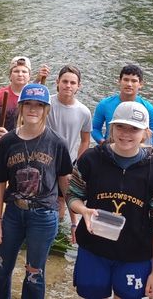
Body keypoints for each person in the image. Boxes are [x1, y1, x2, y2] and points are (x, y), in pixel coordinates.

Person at [68, 101, 153, 299]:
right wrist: (83, 211)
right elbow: (73, 195)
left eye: (134, 129)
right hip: (93, 249)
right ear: (111, 128)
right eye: (120, 127)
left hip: (136, 254)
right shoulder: (91, 159)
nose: (125, 134)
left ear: (146, 133)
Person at [0, 83, 72, 299]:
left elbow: (65, 183)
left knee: (34, 274)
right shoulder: (8, 141)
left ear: (46, 109)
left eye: (39, 105)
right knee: (1, 268)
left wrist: (74, 221)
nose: (33, 110)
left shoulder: (57, 143)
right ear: (21, 108)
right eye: (28, 105)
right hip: (14, 214)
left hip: (44, 215)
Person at [46, 65, 91, 224]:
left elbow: (85, 140)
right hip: (44, 158)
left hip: (68, 162)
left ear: (79, 86)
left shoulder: (84, 111)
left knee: (62, 199)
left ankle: (58, 228)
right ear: (57, 82)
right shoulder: (45, 104)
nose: (68, 85)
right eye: (65, 81)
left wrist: (78, 164)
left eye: (73, 83)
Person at [91, 64, 153, 145]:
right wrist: (103, 143)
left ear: (140, 84)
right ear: (119, 81)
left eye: (134, 81)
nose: (129, 84)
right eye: (126, 80)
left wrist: (139, 148)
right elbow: (94, 129)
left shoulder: (149, 109)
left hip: (137, 152)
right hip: (109, 149)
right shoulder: (104, 104)